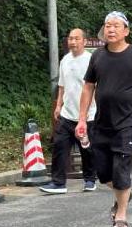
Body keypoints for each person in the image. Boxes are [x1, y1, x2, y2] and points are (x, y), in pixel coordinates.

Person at [76, 11, 132, 227]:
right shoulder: (98, 56)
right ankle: (125, 193)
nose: (110, 29)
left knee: (121, 169)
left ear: (126, 31)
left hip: (127, 123)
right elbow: (88, 87)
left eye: (115, 25)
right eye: (107, 25)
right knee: (103, 173)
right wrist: (82, 119)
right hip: (101, 122)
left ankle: (121, 217)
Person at [40, 29, 97, 194]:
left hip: (87, 116)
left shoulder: (91, 60)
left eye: (77, 39)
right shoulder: (65, 60)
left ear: (84, 41)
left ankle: (90, 179)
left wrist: (91, 110)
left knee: (87, 149)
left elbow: (95, 87)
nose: (73, 42)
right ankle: (58, 183)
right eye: (71, 39)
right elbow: (62, 86)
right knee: (59, 146)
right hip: (67, 114)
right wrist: (59, 105)